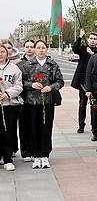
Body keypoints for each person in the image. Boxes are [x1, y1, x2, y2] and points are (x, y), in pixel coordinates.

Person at [22, 40, 64, 168]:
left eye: (43, 48)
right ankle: (36, 155)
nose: (41, 50)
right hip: (32, 101)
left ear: (47, 49)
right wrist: (31, 84)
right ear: (34, 49)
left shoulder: (52, 64)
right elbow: (22, 82)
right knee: (33, 128)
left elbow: (60, 81)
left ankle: (45, 155)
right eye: (38, 48)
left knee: (46, 128)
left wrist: (51, 88)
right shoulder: (28, 65)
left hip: (47, 101)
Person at [71, 29, 97, 133]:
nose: (92, 41)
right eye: (91, 38)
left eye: (95, 39)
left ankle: (94, 126)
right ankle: (81, 125)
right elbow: (75, 49)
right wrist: (79, 37)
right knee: (82, 104)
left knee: (94, 105)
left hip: (94, 82)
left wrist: (92, 54)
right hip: (83, 81)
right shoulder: (83, 49)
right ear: (87, 40)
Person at [0, 44, 23, 171]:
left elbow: (19, 86)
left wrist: (7, 94)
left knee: (9, 131)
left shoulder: (14, 69)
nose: (1, 54)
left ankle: (8, 158)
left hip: (9, 105)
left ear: (7, 53)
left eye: (3, 52)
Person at [16, 40, 35, 162]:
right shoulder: (19, 65)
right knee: (24, 126)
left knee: (36, 126)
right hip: (23, 99)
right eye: (27, 47)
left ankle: (36, 150)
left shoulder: (41, 63)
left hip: (38, 99)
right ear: (24, 48)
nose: (29, 49)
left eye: (32, 47)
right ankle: (26, 152)